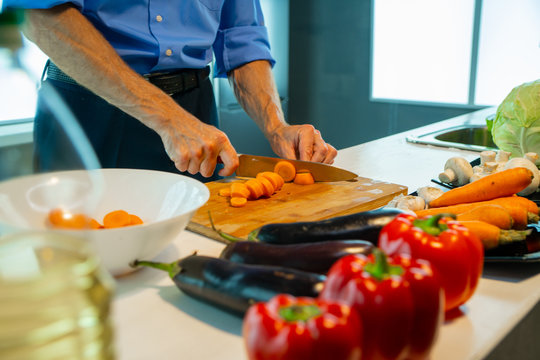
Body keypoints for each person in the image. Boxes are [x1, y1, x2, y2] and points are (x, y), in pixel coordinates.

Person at [4, 1, 337, 181]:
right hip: (89, 112)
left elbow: (242, 34)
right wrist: (169, 120)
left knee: (198, 248)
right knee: (82, 263)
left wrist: (276, 126)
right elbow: (39, 14)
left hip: (197, 114)